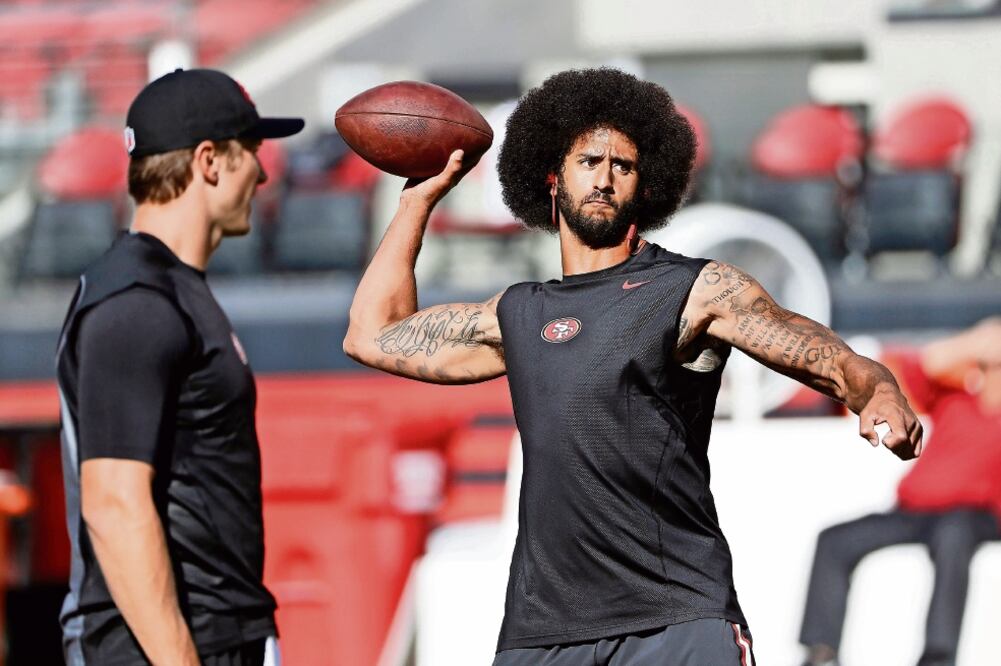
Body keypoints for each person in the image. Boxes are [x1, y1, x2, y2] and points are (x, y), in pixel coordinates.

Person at [343, 68, 922, 665]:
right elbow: (372, 335)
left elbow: (815, 347)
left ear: (644, 185)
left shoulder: (694, 290)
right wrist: (418, 198)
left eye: (624, 167)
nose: (605, 178)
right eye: (589, 161)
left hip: (674, 622)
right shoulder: (518, 313)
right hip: (543, 632)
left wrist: (874, 390)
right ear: (552, 175)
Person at [56, 69, 303, 666]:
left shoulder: (169, 288)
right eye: (252, 153)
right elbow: (114, 503)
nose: (264, 174)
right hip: (160, 647)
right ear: (209, 161)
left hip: (219, 634)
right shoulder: (135, 301)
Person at [798, 318, 1001, 666]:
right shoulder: (956, 398)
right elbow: (923, 365)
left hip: (976, 516)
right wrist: (976, 339)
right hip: (913, 512)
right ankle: (821, 653)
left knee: (954, 535)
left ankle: (938, 658)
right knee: (834, 539)